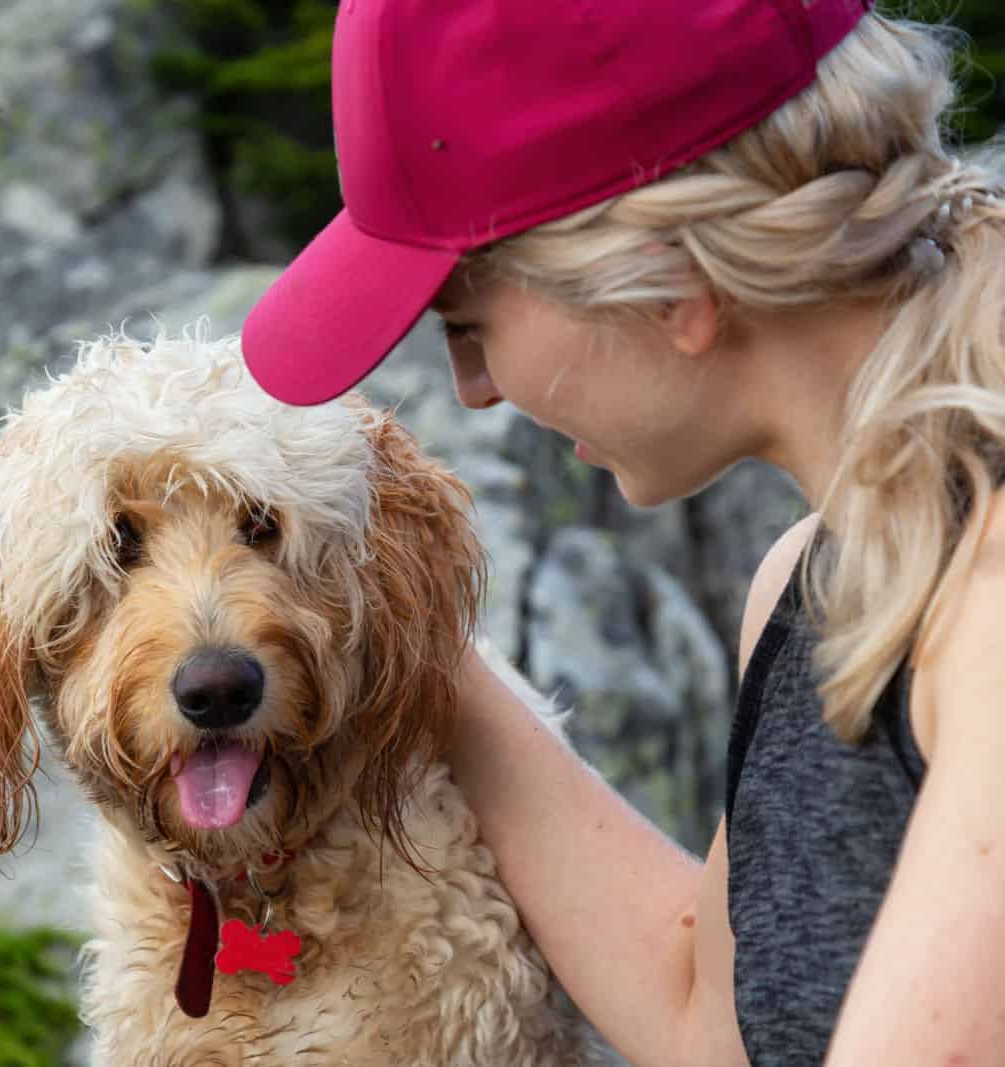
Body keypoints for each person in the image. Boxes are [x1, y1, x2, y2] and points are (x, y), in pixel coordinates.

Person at [238, 0, 1005, 1064]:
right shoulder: (817, 585)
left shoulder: (990, 600)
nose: (472, 389)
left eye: (469, 323)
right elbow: (712, 1019)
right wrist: (387, 624)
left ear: (670, 280)